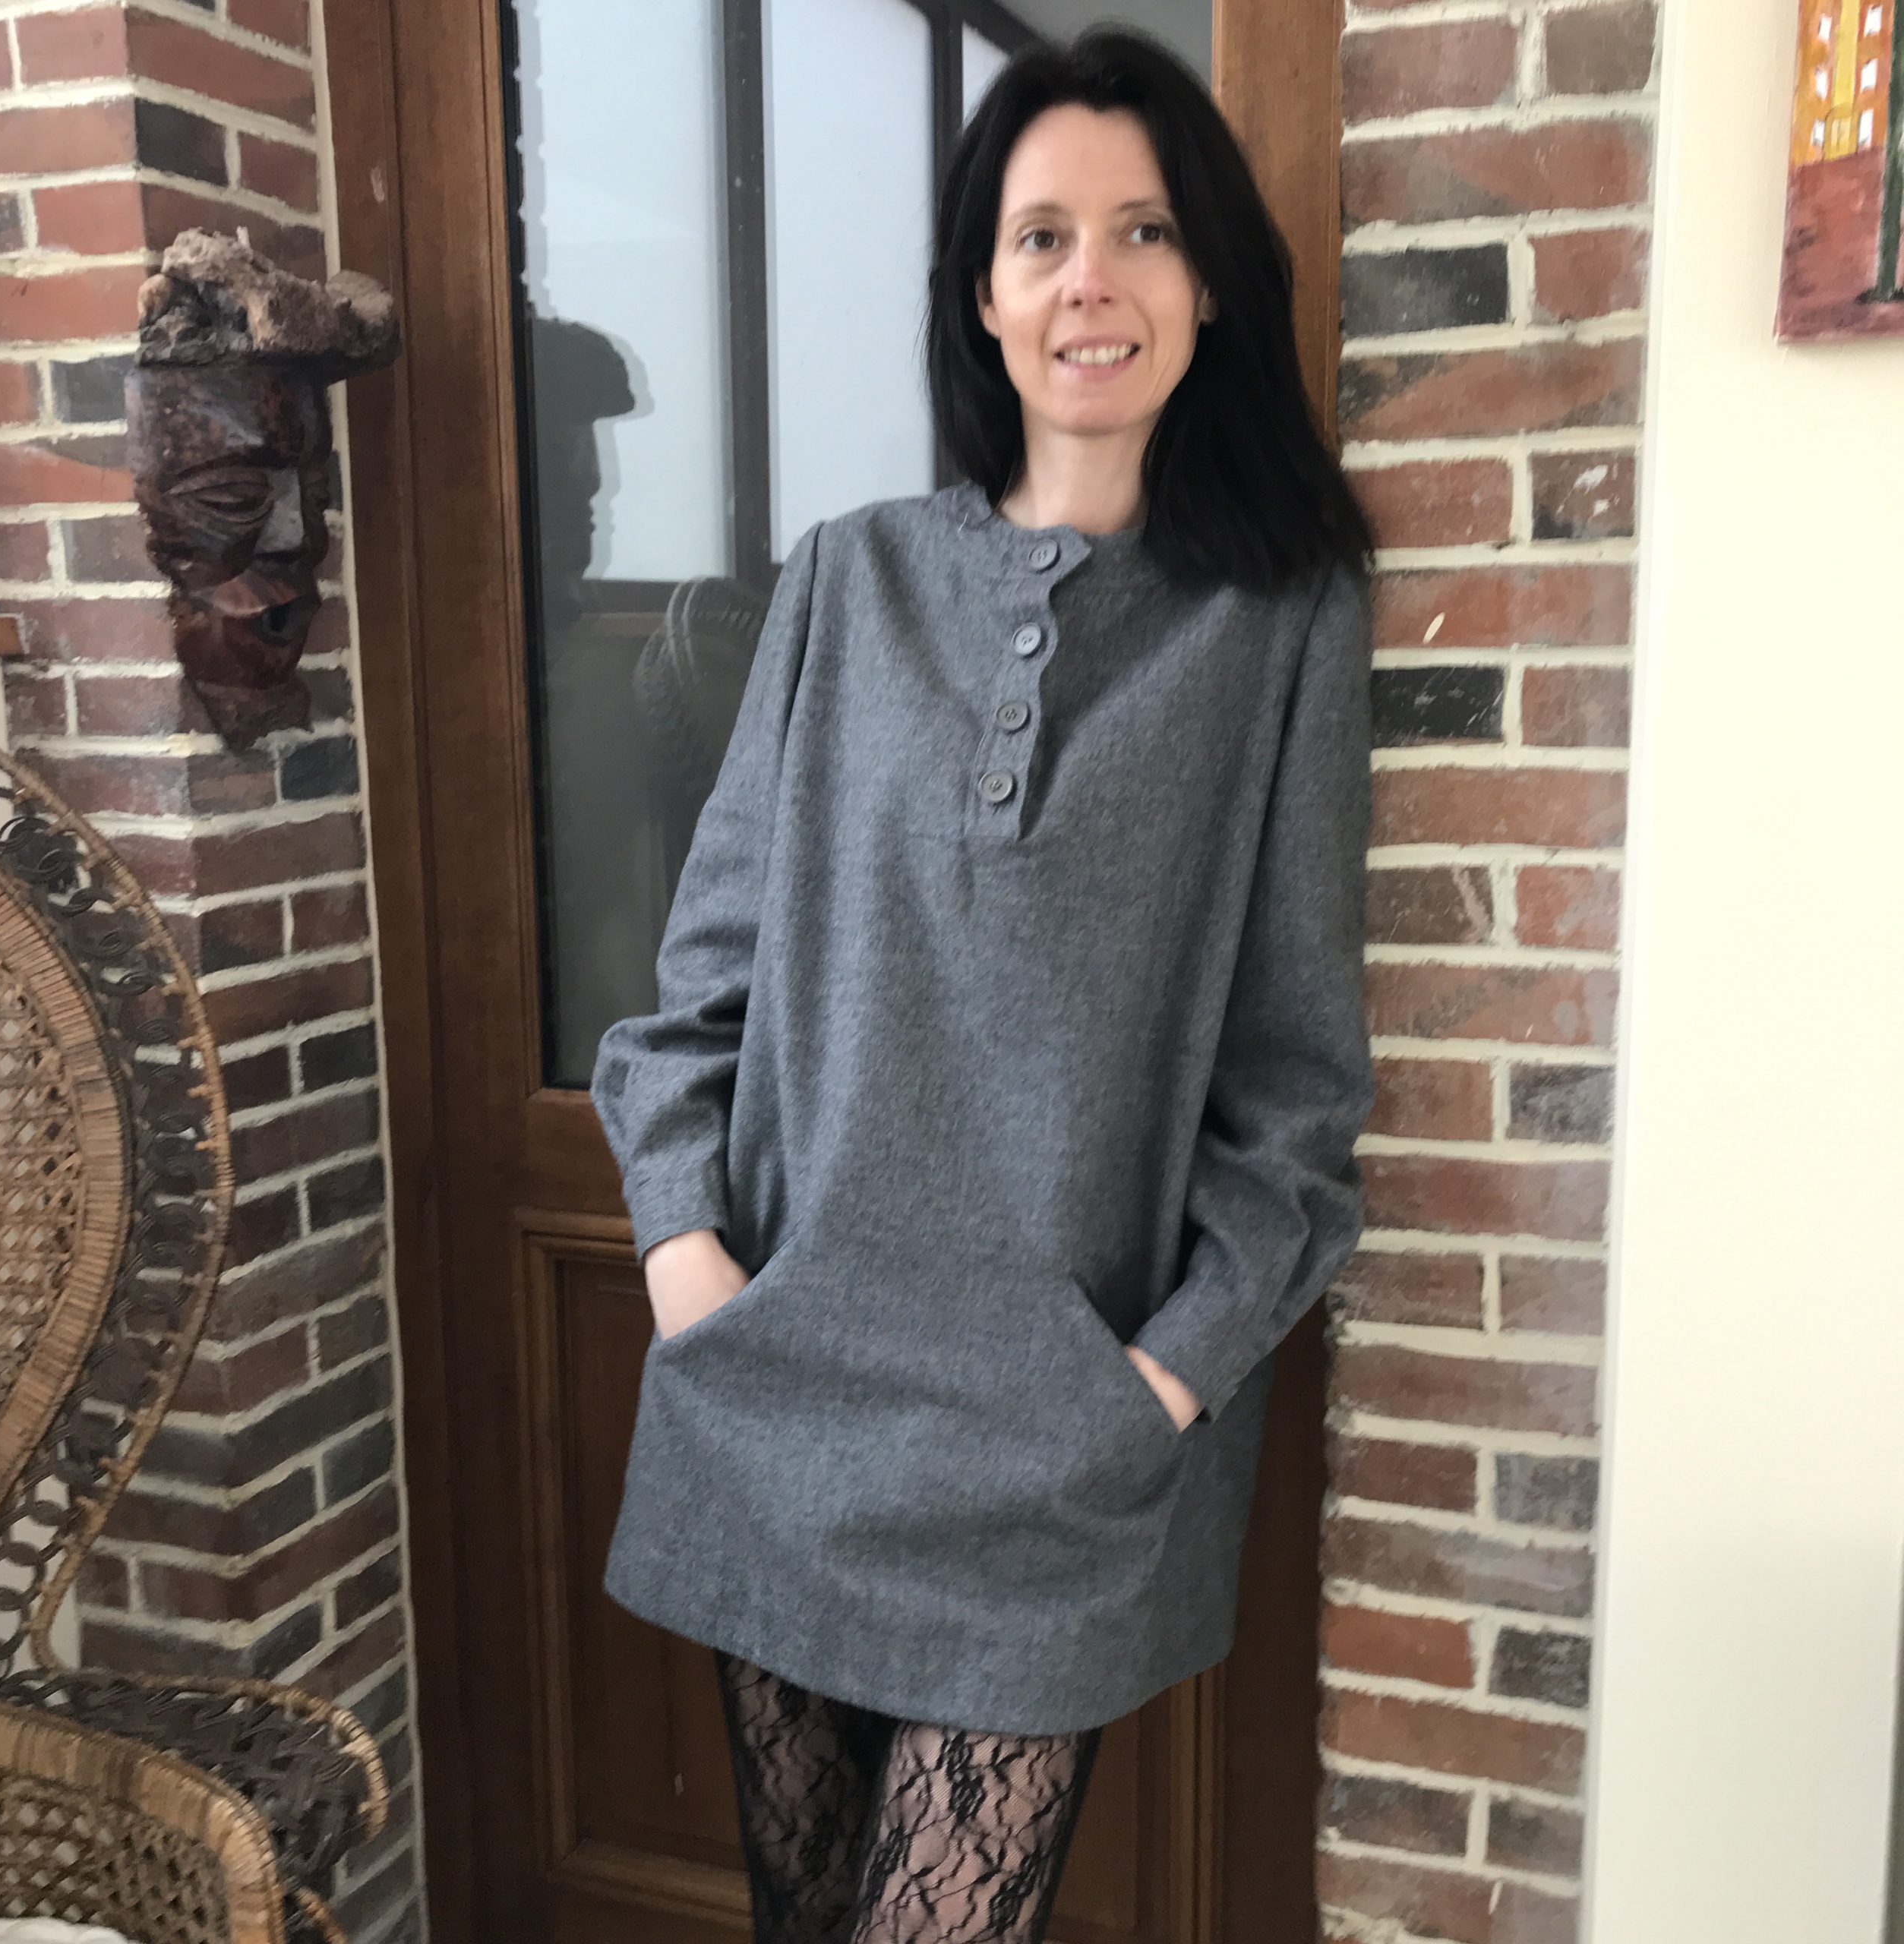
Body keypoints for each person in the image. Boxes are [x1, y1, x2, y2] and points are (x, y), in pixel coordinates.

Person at [592, 29, 1375, 1944]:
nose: (1089, 279)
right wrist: (689, 1263)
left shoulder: (1276, 621)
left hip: (1058, 1435)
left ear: (1209, 285)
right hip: (782, 1382)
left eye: (1142, 231)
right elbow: (698, 985)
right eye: (1041, 237)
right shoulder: (842, 581)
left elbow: (1294, 1087)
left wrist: (1160, 1375)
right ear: (980, 293)